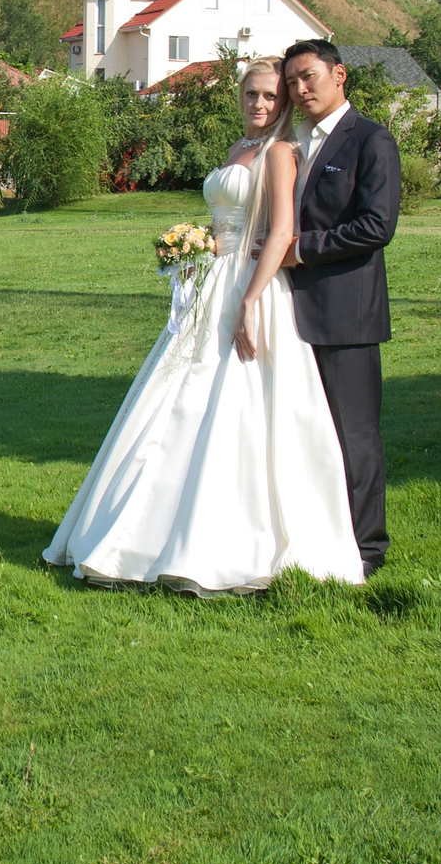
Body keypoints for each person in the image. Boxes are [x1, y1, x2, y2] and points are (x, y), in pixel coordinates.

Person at [44, 58, 363, 593]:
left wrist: (250, 302)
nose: (260, 105)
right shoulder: (238, 150)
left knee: (238, 408)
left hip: (253, 286)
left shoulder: (281, 153)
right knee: (174, 398)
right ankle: (142, 535)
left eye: (269, 96)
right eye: (251, 95)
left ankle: (223, 543)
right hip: (213, 281)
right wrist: (194, 248)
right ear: (239, 98)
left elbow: (282, 229)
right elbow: (228, 220)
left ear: (282, 103)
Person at [277, 39, 402, 576]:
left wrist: (302, 250)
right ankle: (316, 539)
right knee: (304, 433)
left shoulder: (371, 140)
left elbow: (377, 227)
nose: (300, 90)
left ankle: (367, 550)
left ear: (339, 74)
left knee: (354, 436)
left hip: (346, 313)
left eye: (308, 77)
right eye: (292, 83)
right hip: (289, 314)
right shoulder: (295, 143)